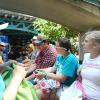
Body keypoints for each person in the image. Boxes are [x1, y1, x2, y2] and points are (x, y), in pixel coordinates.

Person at [79, 31, 100, 100]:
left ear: (95, 45)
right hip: (81, 95)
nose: (82, 43)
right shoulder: (86, 56)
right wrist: (80, 67)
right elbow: (85, 65)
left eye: (86, 41)